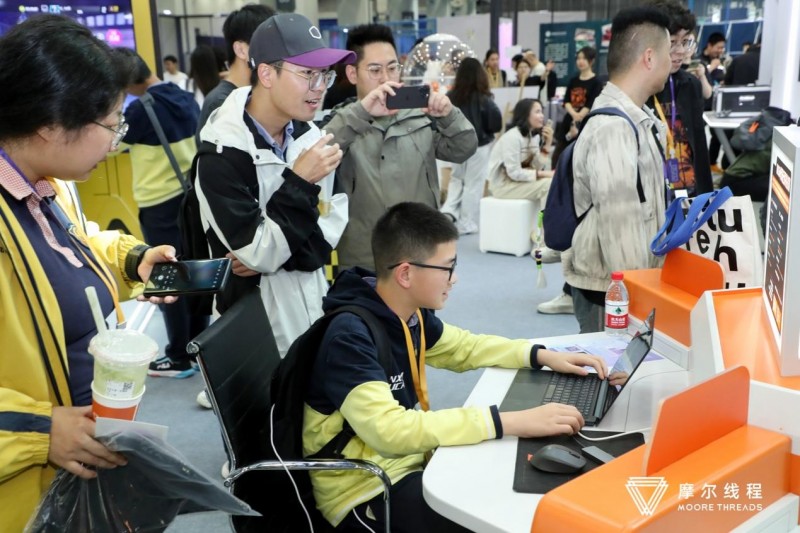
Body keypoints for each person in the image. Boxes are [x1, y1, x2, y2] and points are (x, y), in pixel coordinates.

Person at [304, 201, 610, 532]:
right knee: (490, 517)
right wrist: (507, 421)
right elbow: (389, 431)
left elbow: (464, 348)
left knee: (505, 485)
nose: (455, 279)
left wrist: (539, 354)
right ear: (405, 273)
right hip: (363, 488)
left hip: (409, 461)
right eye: (447, 268)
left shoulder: (408, 314)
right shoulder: (349, 337)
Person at [0, 15, 177, 530]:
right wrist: (37, 431)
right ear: (50, 122)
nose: (115, 141)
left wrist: (130, 258)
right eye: (111, 124)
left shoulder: (44, 186)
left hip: (75, 477)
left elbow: (67, 251)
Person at [195, 13, 353, 355]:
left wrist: (277, 255)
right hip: (255, 327)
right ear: (266, 73)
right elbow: (259, 251)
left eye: (325, 75)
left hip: (312, 303)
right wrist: (300, 182)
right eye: (308, 74)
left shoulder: (312, 136)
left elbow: (333, 223)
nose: (320, 87)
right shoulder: (221, 154)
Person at [321, 23, 477, 271]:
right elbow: (318, 153)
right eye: (375, 70)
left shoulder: (422, 115)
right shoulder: (342, 120)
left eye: (393, 68)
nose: (386, 78)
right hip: (365, 255)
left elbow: (463, 148)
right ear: (352, 74)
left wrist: (449, 115)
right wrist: (361, 113)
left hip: (422, 249)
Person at [563, 6, 671, 333]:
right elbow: (620, 228)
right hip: (613, 295)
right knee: (610, 365)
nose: (672, 62)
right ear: (649, 57)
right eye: (668, 52)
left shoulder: (636, 118)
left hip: (625, 287)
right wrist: (639, 302)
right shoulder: (614, 128)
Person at [114, 48, 205, 377]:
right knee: (193, 272)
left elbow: (110, 145)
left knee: (166, 277)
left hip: (158, 203)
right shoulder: (184, 97)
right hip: (191, 197)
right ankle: (198, 348)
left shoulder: (139, 110)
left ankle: (177, 356)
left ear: (127, 83)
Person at [646, 0, 712, 196]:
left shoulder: (690, 85)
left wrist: (705, 197)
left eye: (684, 42)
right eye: (673, 43)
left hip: (688, 190)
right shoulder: (640, 88)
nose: (681, 51)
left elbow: (699, 146)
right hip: (654, 194)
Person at [195, 3, 275, 147]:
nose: (277, 53)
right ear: (241, 50)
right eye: (267, 44)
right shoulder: (222, 103)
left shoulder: (251, 94)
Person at [440, 58, 502, 235]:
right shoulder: (484, 99)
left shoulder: (450, 97)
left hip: (456, 145)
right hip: (478, 146)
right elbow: (496, 124)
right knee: (473, 184)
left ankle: (449, 212)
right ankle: (466, 222)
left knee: (456, 178)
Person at [488, 98, 554, 207]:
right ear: (526, 115)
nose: (542, 116)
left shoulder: (533, 137)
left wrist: (547, 145)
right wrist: (544, 174)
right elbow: (513, 172)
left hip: (518, 182)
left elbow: (536, 167)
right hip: (503, 186)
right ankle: (544, 218)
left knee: (552, 182)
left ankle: (544, 217)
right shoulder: (512, 137)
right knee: (549, 184)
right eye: (537, 112)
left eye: (542, 112)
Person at [551, 46, 604, 164]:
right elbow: (566, 101)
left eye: (584, 58)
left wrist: (579, 117)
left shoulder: (596, 82)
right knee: (559, 153)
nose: (580, 61)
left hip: (586, 121)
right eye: (579, 58)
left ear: (591, 61)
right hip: (569, 119)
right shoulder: (573, 80)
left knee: (580, 155)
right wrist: (574, 115)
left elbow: (591, 103)